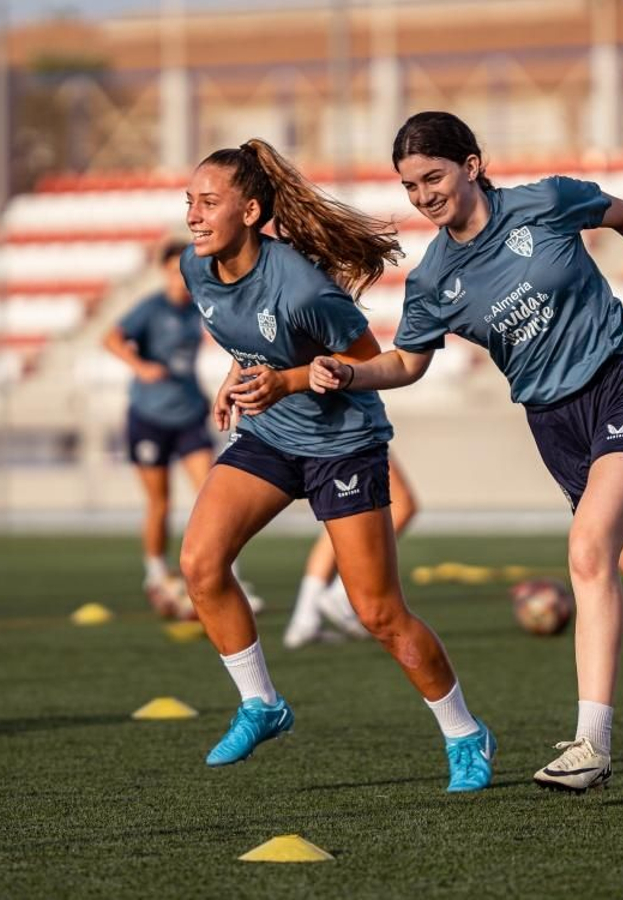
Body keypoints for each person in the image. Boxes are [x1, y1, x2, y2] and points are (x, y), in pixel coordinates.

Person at [311, 111, 623, 792]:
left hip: (622, 384)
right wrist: (350, 373)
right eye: (409, 185)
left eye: (433, 176)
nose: (423, 195)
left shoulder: (542, 202)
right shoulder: (433, 281)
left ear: (472, 166)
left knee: (587, 550)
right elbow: (406, 363)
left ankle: (591, 745)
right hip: (555, 426)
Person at [177, 138, 497, 792]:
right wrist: (237, 376)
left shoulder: (299, 283)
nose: (194, 215)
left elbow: (366, 363)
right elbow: (252, 340)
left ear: (251, 210)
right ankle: (262, 705)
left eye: (209, 202)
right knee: (199, 564)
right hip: (273, 435)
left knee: (378, 612)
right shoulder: (195, 268)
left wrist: (288, 383)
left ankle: (466, 732)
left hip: (344, 441)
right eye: (190, 202)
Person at [102, 241, 261, 614]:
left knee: (212, 495)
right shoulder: (151, 309)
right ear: (162, 272)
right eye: (172, 271)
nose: (179, 279)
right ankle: (156, 575)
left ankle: (227, 575)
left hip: (189, 414)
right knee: (161, 501)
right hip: (150, 417)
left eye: (183, 271)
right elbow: (110, 337)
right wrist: (141, 368)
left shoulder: (197, 307)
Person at [284, 460, 417, 648]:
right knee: (401, 505)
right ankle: (338, 596)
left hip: (325, 435)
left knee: (342, 518)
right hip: (344, 434)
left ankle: (306, 617)